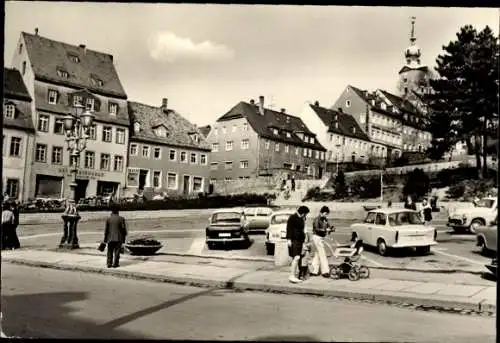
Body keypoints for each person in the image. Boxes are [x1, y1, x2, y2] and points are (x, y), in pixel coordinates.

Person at [286, 205, 310, 283]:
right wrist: (289, 239)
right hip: (294, 240)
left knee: (297, 258)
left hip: (299, 241)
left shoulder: (301, 218)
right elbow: (289, 228)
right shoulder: (293, 217)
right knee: (296, 257)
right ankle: (292, 276)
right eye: (306, 214)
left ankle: (294, 275)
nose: (306, 215)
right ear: (303, 213)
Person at [310, 206, 333, 277]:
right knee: (322, 254)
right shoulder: (317, 219)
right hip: (317, 237)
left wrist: (331, 228)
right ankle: (325, 271)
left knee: (317, 254)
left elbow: (328, 226)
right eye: (325, 214)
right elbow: (317, 229)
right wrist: (326, 230)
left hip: (321, 237)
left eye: (327, 214)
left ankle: (314, 270)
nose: (326, 215)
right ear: (321, 212)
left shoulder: (324, 219)